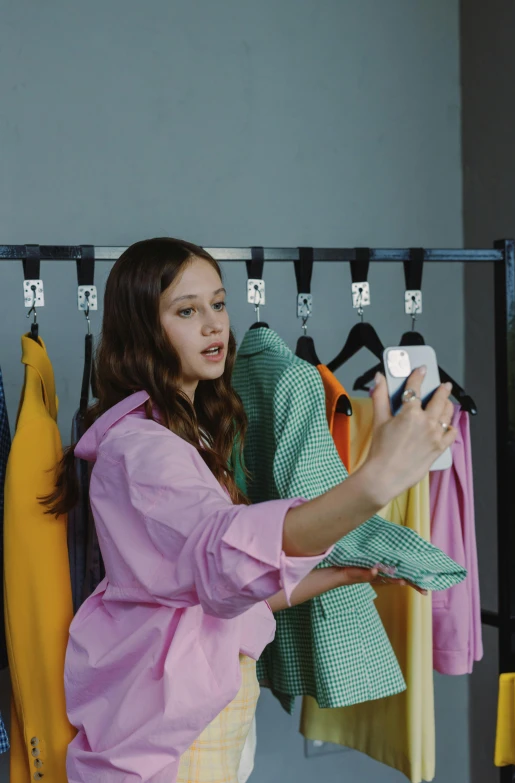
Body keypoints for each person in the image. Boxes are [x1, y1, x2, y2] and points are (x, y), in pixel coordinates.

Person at [44, 237, 456, 783]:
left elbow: (221, 600)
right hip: (171, 746)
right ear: (144, 329)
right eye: (187, 310)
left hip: (211, 724)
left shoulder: (187, 435)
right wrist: (373, 483)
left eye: (218, 303)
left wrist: (342, 574)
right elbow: (221, 553)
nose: (214, 324)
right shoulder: (142, 451)